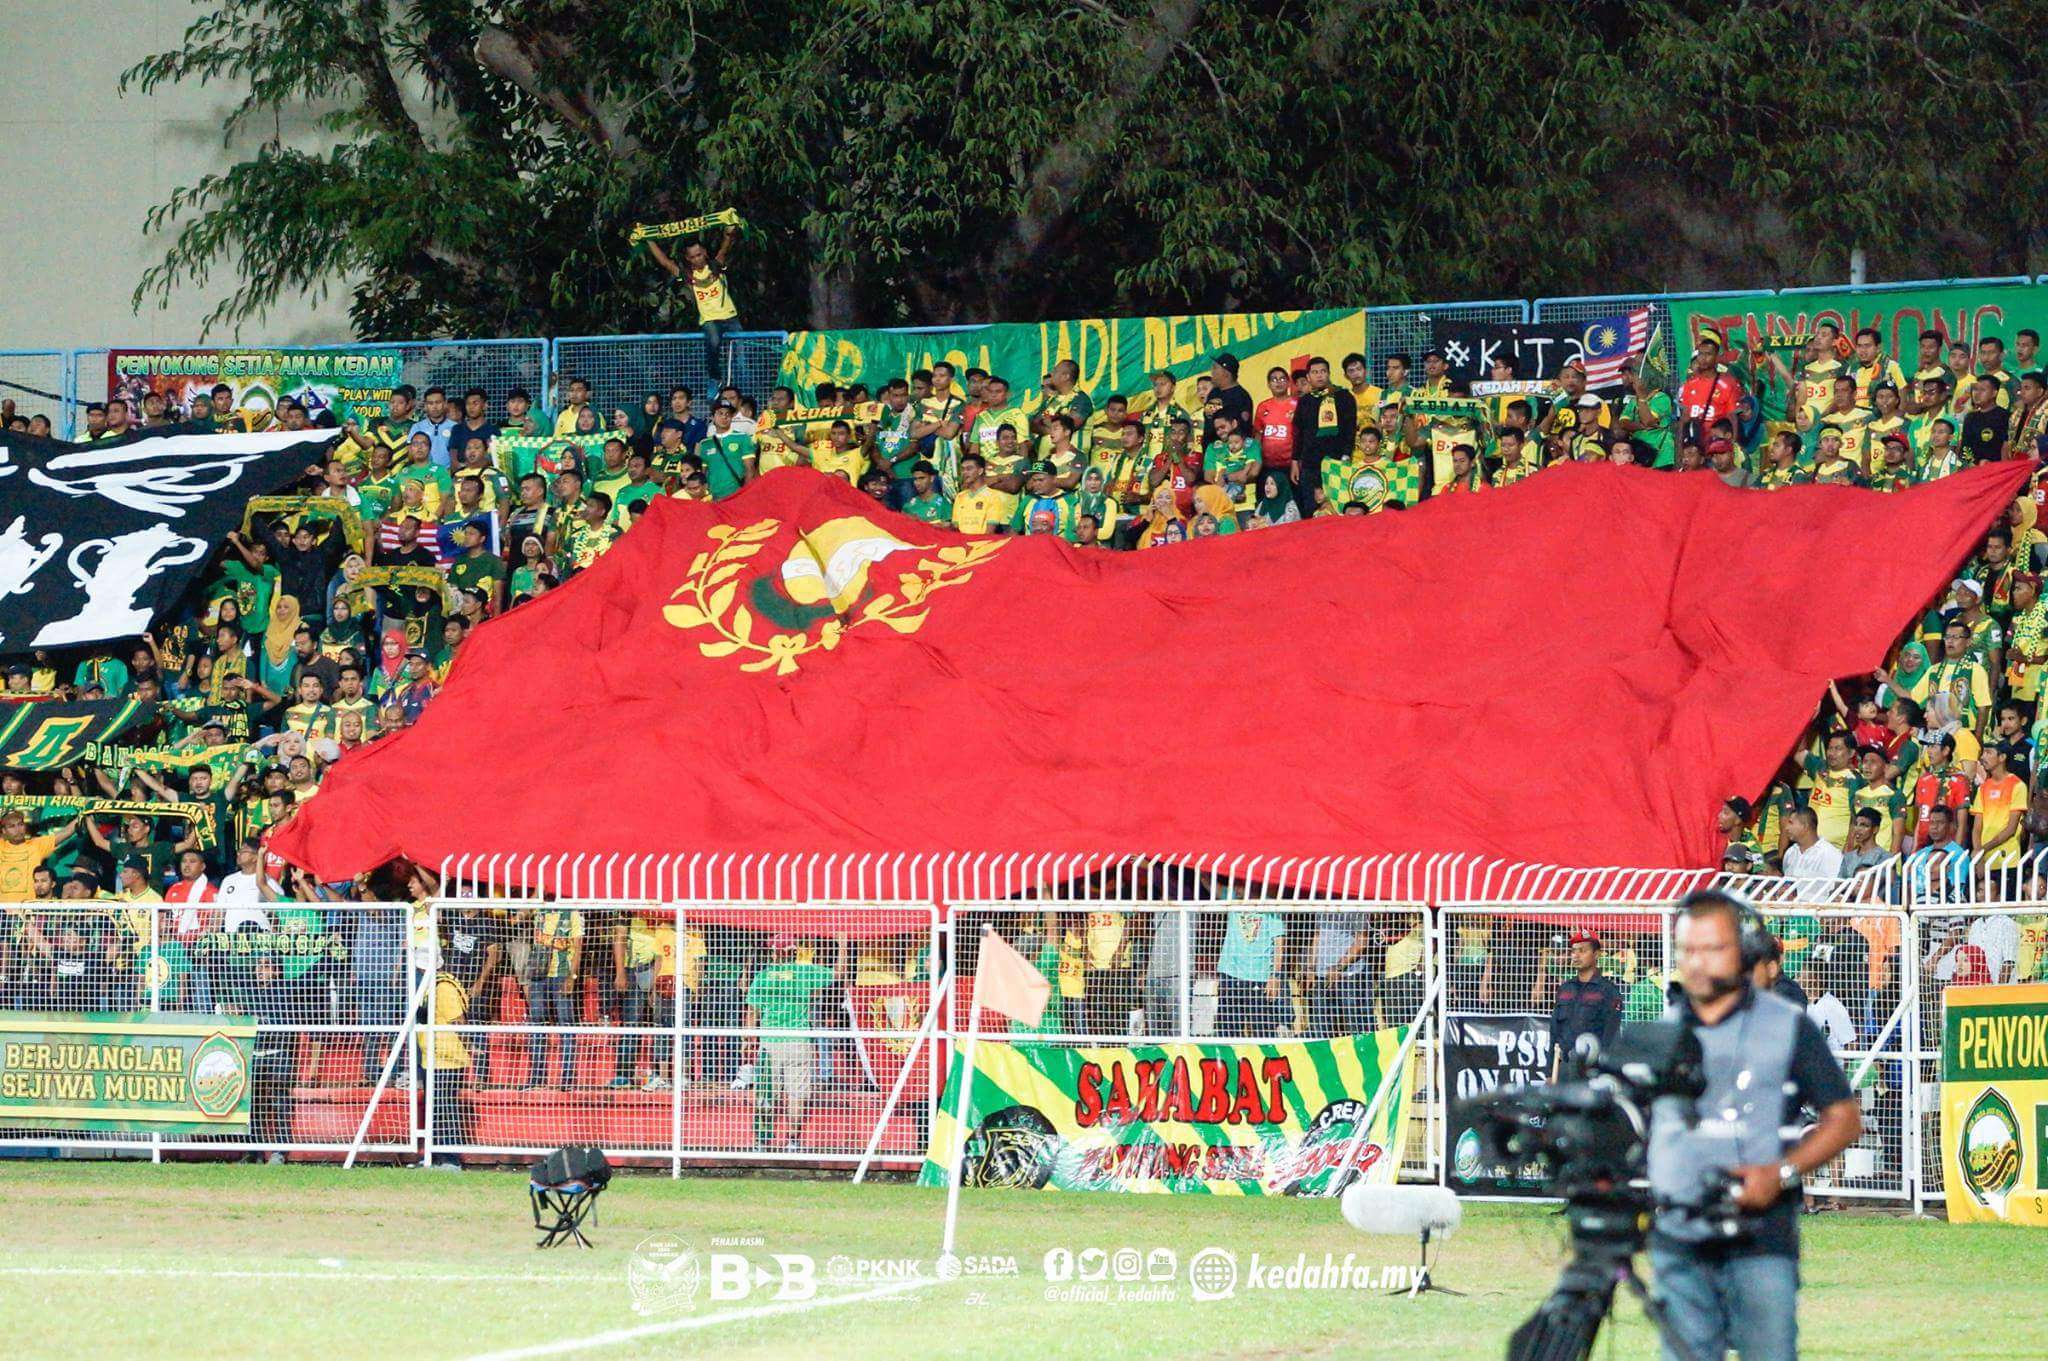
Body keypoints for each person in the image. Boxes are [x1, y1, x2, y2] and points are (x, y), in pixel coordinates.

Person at [1649, 890, 1863, 1361]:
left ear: (1743, 953)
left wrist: (1781, 1172)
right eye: (1688, 951)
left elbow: (1845, 1118)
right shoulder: (1660, 1032)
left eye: (1713, 949)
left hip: (1763, 1236)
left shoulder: (1790, 1025)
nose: (1699, 963)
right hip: (1680, 1235)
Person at [744, 932, 845, 1151]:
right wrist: (843, 944)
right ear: (793, 952)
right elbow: (839, 974)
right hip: (798, 1041)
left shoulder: (764, 976)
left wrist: (749, 1039)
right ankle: (793, 1141)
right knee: (797, 1095)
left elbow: (752, 1012)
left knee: (767, 1093)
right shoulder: (805, 972)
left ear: (773, 953)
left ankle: (762, 1142)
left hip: (770, 1041)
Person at [1547, 929, 1623, 1078]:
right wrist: (1550, 1071)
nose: (1576, 955)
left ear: (1596, 954)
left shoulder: (1609, 991)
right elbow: (1554, 1032)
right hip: (1563, 1069)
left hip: (1592, 1071)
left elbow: (1611, 1036)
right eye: (1573, 951)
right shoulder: (1565, 989)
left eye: (1582, 951)